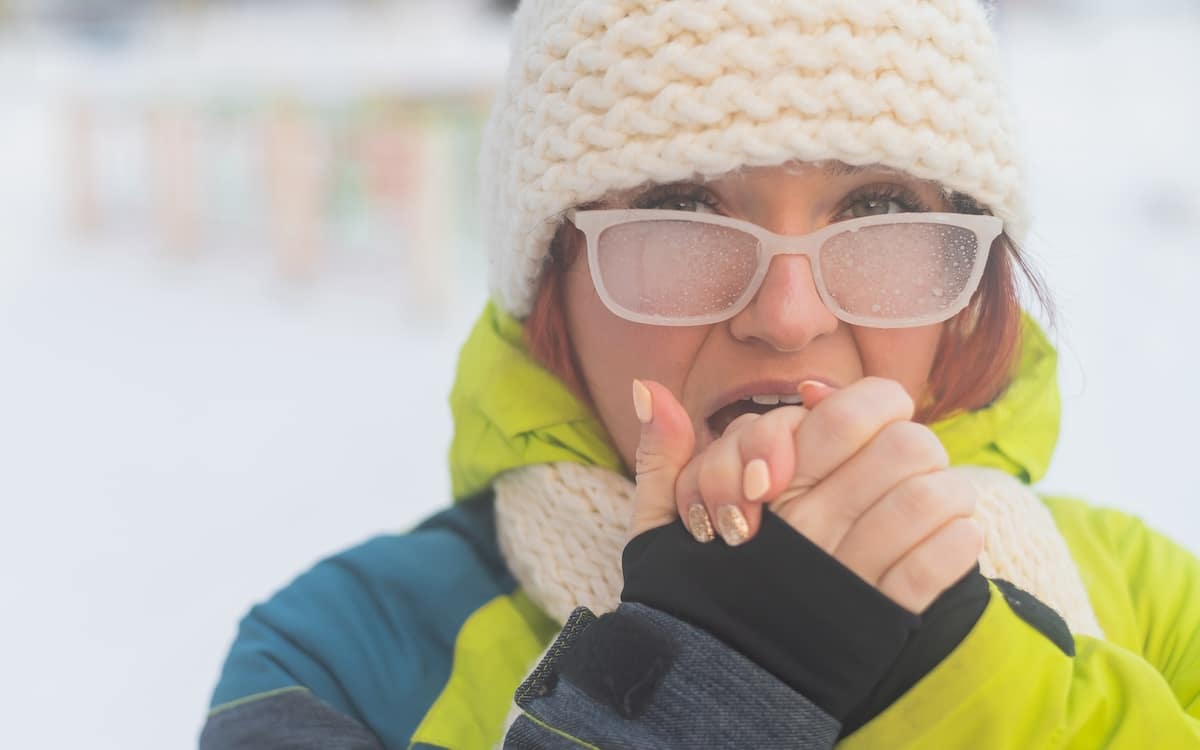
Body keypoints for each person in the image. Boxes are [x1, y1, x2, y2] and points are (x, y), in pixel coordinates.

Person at [199, 0, 1200, 747]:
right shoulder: (341, 656)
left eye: (879, 212)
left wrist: (960, 681)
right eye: (682, 211)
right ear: (552, 283)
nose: (788, 317)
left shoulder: (1151, 602)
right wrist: (690, 692)